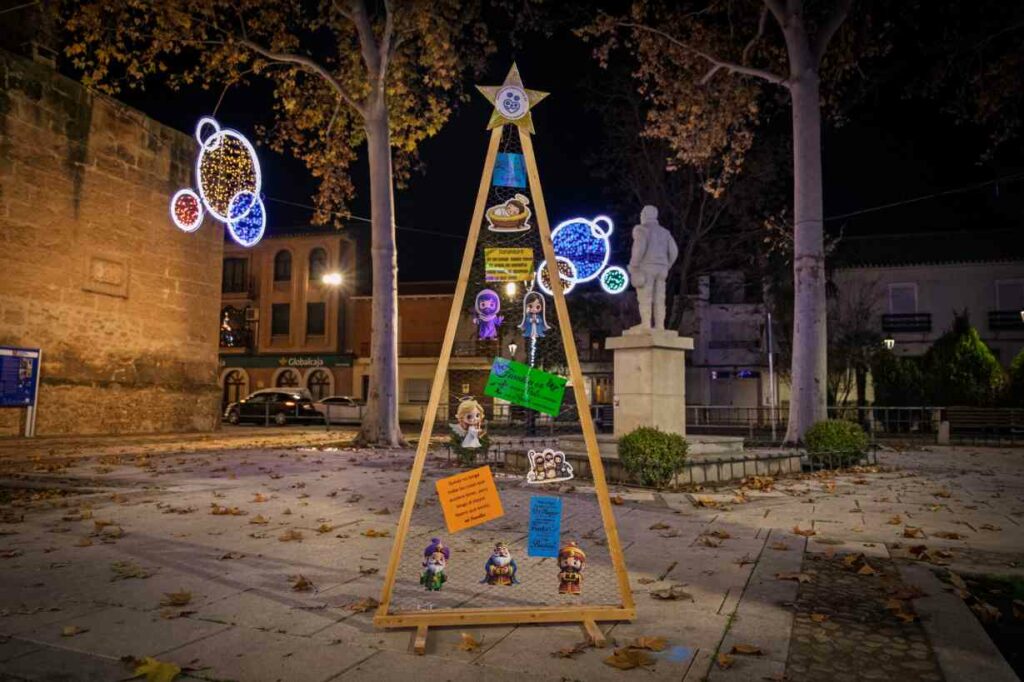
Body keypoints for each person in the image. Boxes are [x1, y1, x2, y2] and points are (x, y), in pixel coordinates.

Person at [628, 205, 678, 331]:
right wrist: (667, 265)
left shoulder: (641, 229)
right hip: (662, 269)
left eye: (641, 214)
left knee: (645, 297)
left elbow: (639, 248)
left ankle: (646, 324)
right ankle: (660, 325)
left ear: (644, 215)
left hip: (647, 267)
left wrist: (634, 265)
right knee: (660, 298)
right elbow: (674, 251)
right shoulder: (665, 232)